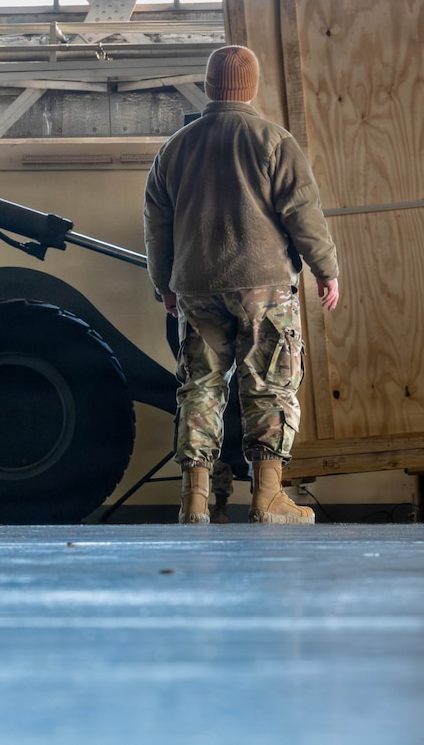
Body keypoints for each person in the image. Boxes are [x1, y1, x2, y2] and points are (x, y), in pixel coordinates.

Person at [143, 44, 340, 525]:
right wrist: (326, 270)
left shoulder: (176, 148)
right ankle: (268, 497)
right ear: (250, 87)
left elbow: (157, 222)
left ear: (210, 86)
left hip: (195, 287)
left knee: (200, 387)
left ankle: (194, 501)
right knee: (269, 386)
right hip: (264, 288)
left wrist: (164, 284)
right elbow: (303, 214)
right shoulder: (273, 140)